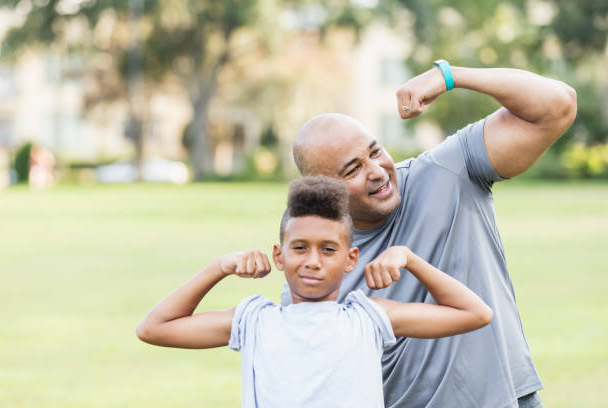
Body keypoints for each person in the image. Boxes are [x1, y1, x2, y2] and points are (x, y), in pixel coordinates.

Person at [283, 62, 577, 408]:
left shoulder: (448, 172)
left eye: (375, 151)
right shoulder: (316, 263)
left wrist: (451, 76)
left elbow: (558, 106)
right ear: (321, 189)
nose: (377, 171)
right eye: (354, 169)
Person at [137, 176, 493, 408]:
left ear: (350, 258)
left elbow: (475, 313)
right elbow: (154, 328)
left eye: (328, 249)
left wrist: (411, 260)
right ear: (279, 255)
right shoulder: (255, 321)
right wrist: (218, 268)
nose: (313, 262)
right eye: (299, 247)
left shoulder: (368, 317)